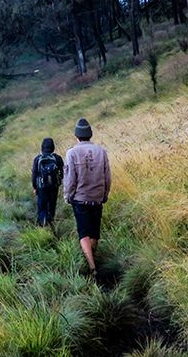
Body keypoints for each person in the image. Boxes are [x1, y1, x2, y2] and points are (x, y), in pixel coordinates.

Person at [63, 118, 111, 277]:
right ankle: (93, 257)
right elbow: (107, 176)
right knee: (94, 233)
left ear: (77, 136)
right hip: (97, 198)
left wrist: (67, 196)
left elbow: (70, 178)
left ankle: (91, 266)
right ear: (90, 135)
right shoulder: (101, 151)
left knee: (84, 233)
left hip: (80, 199)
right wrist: (105, 194)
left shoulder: (72, 152)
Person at [31, 137, 64, 228]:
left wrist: (35, 187)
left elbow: (34, 174)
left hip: (41, 187)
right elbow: (62, 172)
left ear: (42, 147)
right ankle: (51, 223)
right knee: (52, 205)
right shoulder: (57, 158)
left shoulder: (37, 159)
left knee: (42, 207)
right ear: (53, 147)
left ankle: (43, 225)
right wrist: (59, 181)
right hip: (54, 186)